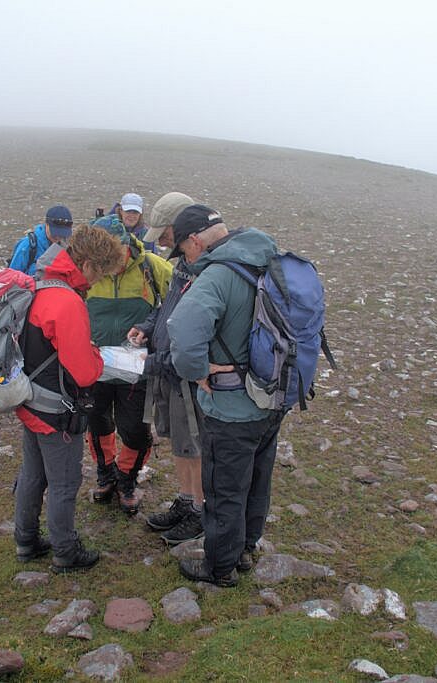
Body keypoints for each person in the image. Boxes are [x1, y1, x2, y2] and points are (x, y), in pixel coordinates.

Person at [167, 204, 284, 587]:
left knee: (225, 489)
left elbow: (182, 335)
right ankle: (246, 548)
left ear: (195, 241)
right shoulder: (269, 257)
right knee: (257, 479)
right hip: (273, 396)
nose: (185, 256)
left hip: (232, 407)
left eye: (182, 248)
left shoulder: (218, 276)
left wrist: (198, 371)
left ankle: (220, 567)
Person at [13, 225, 124, 573]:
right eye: (101, 273)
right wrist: (99, 358)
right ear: (88, 264)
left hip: (31, 401)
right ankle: (65, 551)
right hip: (56, 411)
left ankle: (26, 541)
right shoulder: (67, 302)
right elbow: (84, 373)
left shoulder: (41, 284)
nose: (98, 282)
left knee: (33, 474)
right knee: (64, 482)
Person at [126, 192, 213, 546]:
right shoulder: (182, 265)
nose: (160, 241)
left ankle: (200, 510)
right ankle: (186, 499)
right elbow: (166, 308)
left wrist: (156, 361)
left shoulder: (207, 269)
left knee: (194, 445)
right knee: (179, 442)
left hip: (188, 375)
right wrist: (148, 328)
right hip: (168, 372)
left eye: (164, 234)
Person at [86, 216, 173, 514]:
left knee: (134, 430)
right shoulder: (86, 271)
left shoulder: (150, 266)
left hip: (136, 368)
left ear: (126, 244)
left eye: (115, 253)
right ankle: (105, 473)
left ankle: (127, 479)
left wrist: (150, 325)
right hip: (93, 365)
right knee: (96, 422)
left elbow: (178, 301)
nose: (110, 263)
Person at [7, 205, 74, 275]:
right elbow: (11, 277)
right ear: (46, 224)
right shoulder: (27, 245)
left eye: (62, 233)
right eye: (55, 232)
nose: (58, 237)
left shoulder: (67, 246)